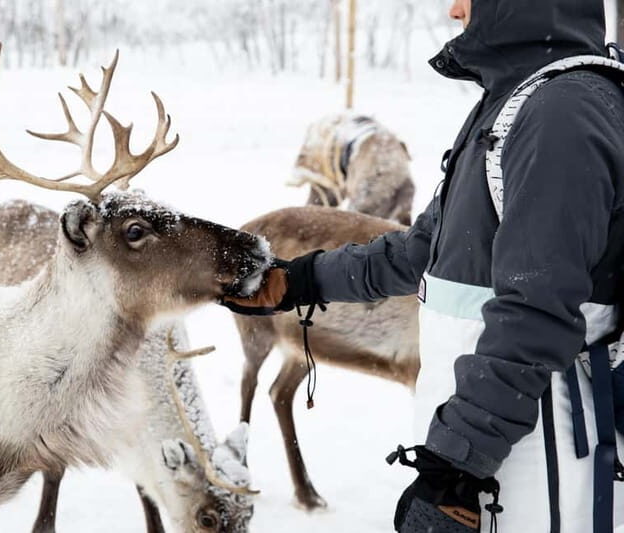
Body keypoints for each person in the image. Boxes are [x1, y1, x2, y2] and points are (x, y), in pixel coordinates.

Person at [222, 0, 624, 531]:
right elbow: (420, 251)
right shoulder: (518, 104)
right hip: (503, 451)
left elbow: (536, 312)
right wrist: (299, 279)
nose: (455, 9)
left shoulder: (560, 114)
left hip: (539, 461)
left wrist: (453, 472)